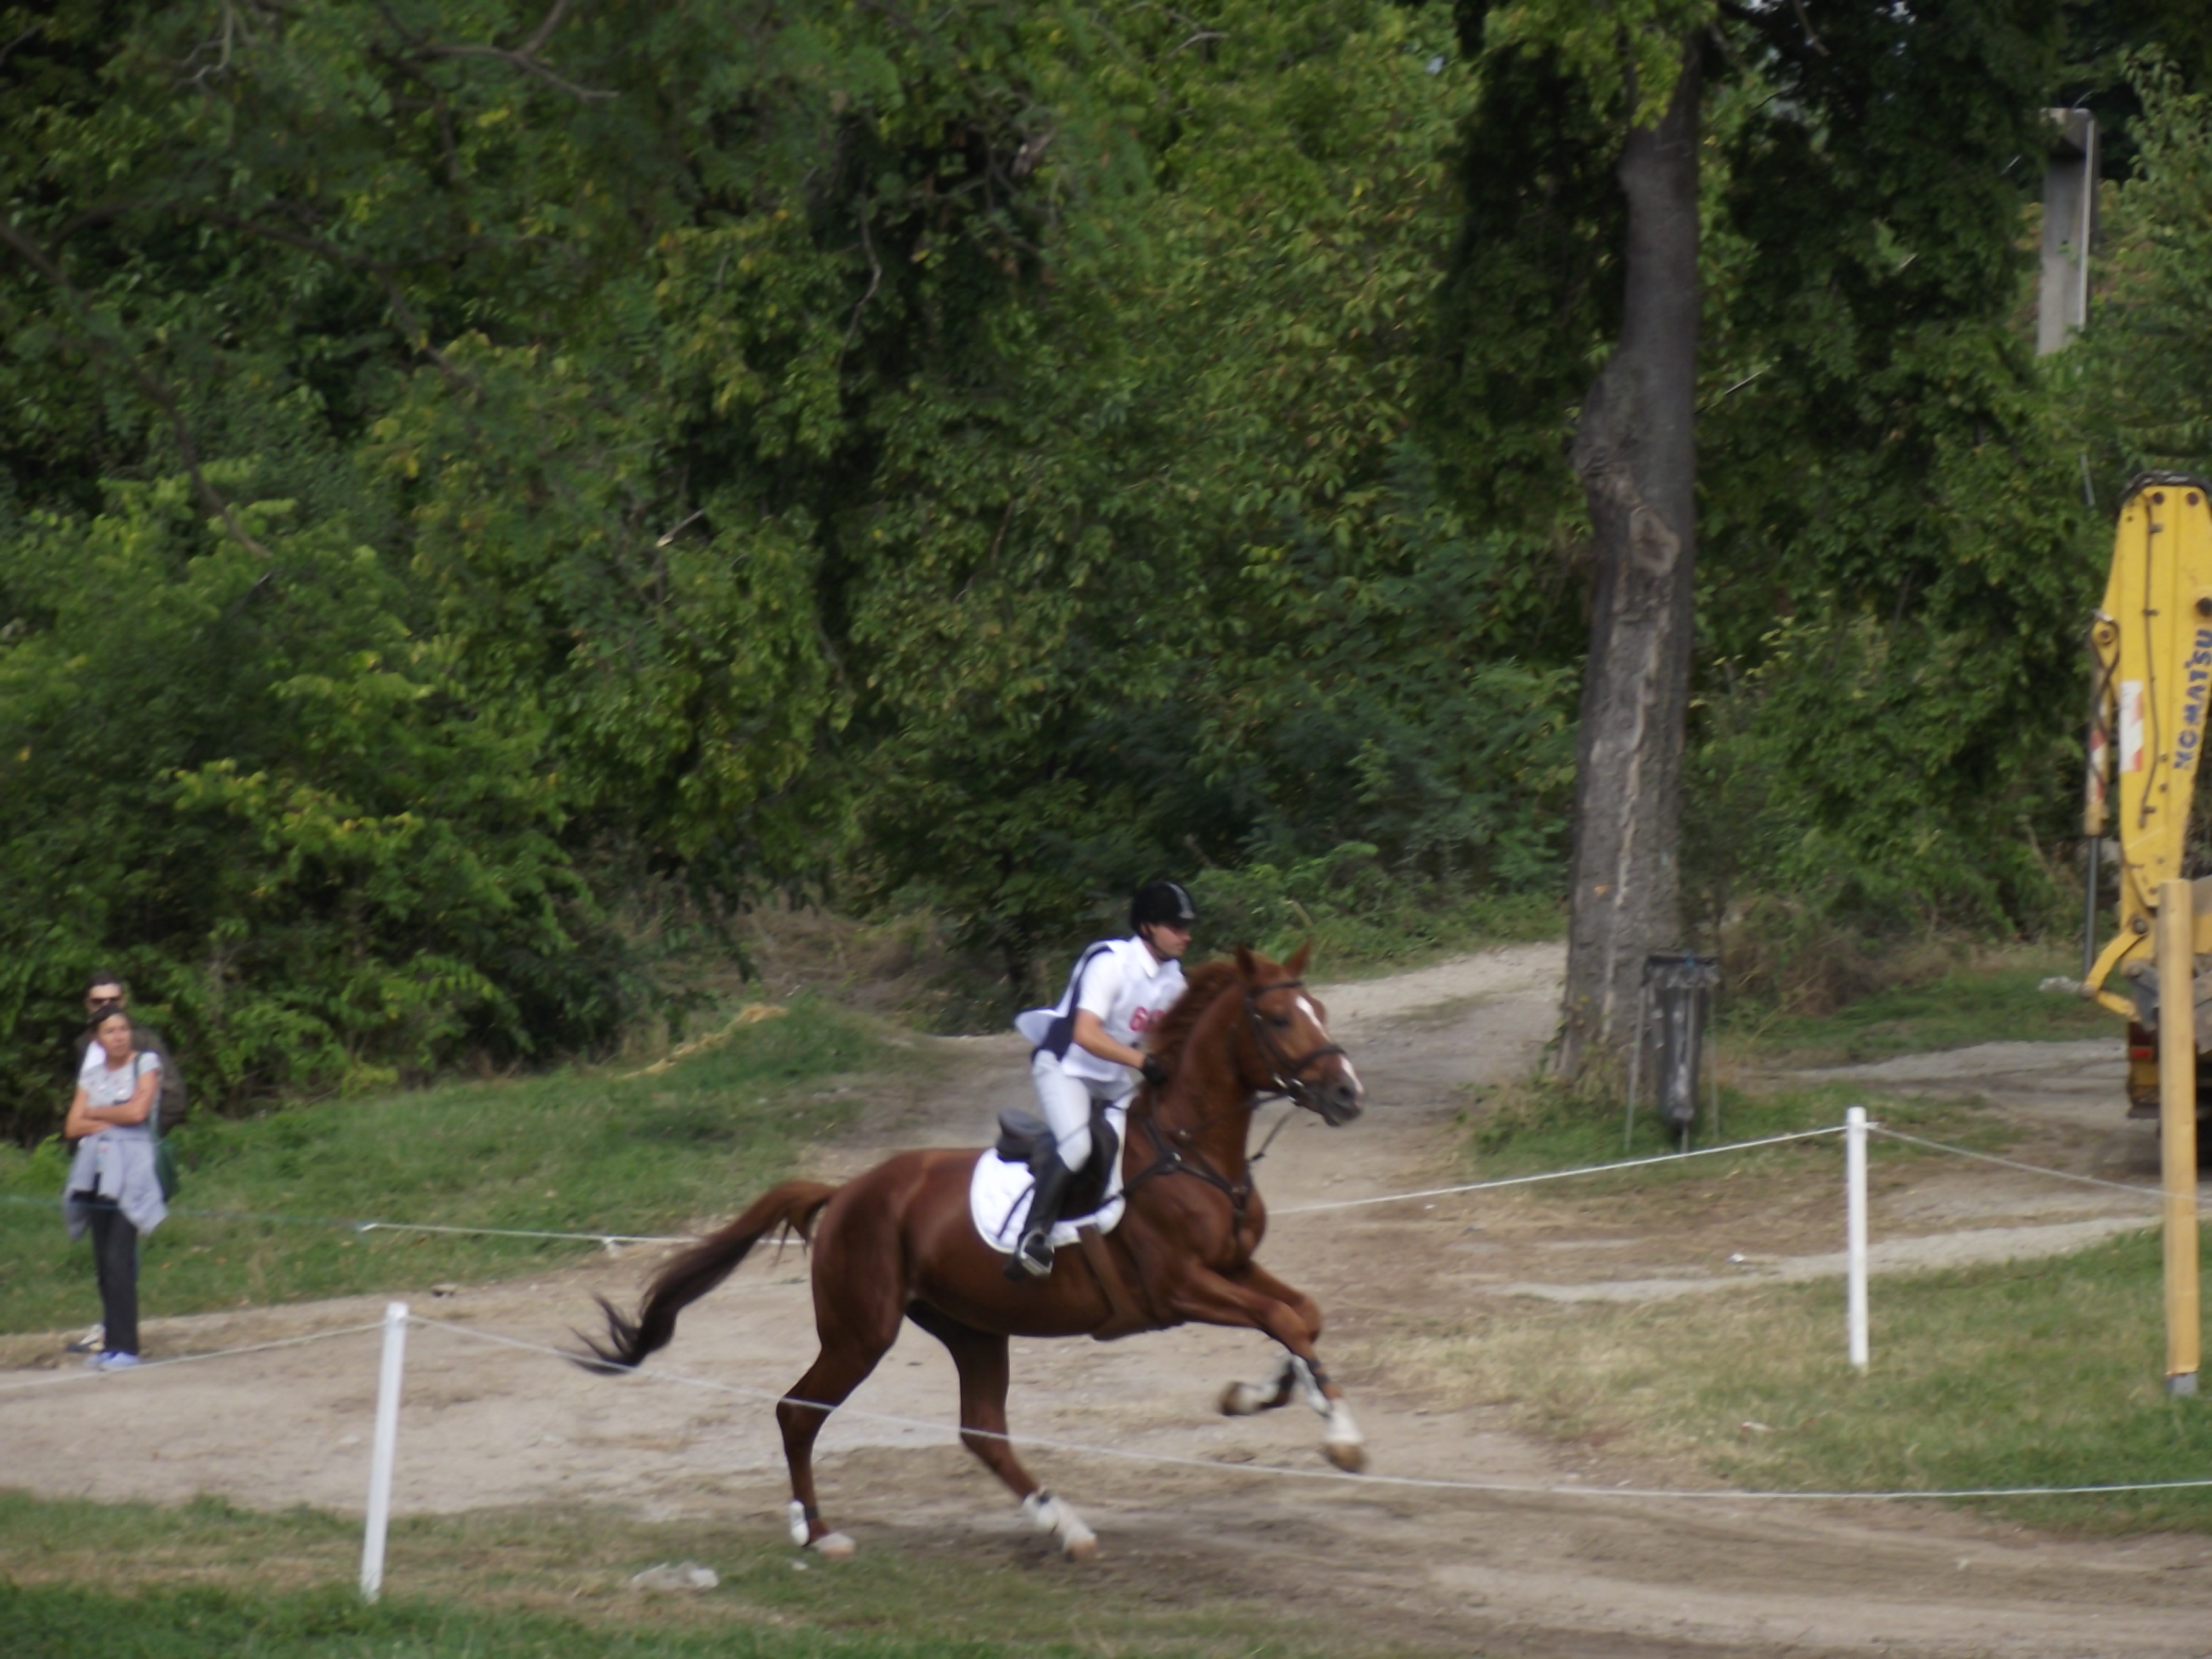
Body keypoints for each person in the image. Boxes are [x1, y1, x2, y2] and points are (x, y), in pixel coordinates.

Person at [1005, 880, 1196, 1279]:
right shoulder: (1111, 962)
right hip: (1065, 1067)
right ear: (1147, 927)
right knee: (1077, 1148)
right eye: (1176, 927)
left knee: (1149, 1138)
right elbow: (1086, 1034)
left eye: (1187, 927)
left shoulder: (1174, 980)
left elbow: (1172, 1043)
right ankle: (1032, 1238)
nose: (1186, 936)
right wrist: (1143, 1063)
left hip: (1108, 1074)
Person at [62, 1007, 168, 1370]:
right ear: (98, 1038)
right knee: (103, 1259)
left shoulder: (146, 1064)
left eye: (123, 1029)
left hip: (131, 1175)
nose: (119, 1036)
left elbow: (138, 1113)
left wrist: (97, 1111)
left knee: (119, 1257)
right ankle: (110, 1343)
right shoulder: (91, 1074)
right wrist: (113, 1111)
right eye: (110, 1031)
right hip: (96, 1173)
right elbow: (73, 1125)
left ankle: (127, 1346)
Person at [73, 972, 187, 1129]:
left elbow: (174, 1099)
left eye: (114, 1000)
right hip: (94, 1139)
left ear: (124, 1001)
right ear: (88, 1004)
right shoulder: (83, 1044)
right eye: (98, 1002)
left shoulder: (145, 1041)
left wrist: (146, 1132)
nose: (107, 1006)